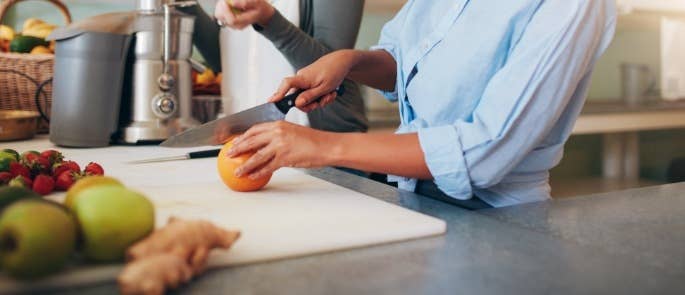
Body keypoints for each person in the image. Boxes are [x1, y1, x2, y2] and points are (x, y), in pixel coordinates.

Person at [226, 0, 618, 209]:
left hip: (499, 218)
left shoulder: (572, 5)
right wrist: (350, 62)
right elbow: (403, 59)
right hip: (412, 200)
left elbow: (484, 151)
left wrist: (323, 147)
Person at [181, 0, 368, 134]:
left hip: (325, 150)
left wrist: (268, 19)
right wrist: (186, 5)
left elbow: (330, 69)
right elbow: (228, 63)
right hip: (251, 142)